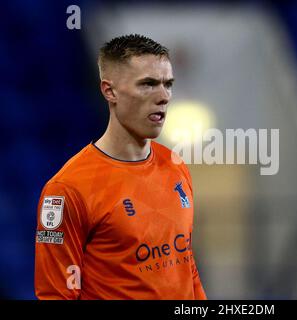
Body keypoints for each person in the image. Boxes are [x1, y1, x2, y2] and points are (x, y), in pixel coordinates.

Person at [34, 34, 207, 300]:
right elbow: (56, 295)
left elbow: (186, 266)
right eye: (148, 84)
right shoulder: (66, 190)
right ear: (109, 91)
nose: (163, 96)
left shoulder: (176, 167)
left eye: (168, 84)